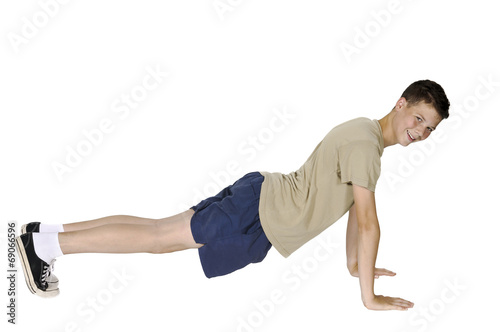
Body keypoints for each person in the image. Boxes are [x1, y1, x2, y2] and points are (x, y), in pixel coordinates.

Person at [16, 79, 450, 311]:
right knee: (157, 240)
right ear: (399, 103)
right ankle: (44, 245)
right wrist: (369, 297)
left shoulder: (366, 138)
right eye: (418, 117)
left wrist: (357, 265)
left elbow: (357, 214)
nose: (420, 132)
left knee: (158, 231)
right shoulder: (365, 146)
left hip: (260, 199)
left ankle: (45, 234)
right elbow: (370, 220)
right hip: (259, 212)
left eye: (429, 128)